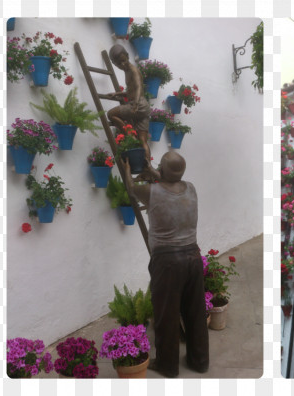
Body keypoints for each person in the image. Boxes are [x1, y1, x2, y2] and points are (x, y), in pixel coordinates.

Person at [120, 151, 208, 378]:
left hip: (168, 262)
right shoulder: (191, 188)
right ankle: (200, 361)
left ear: (163, 170)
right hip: (193, 257)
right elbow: (171, 179)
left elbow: (131, 188)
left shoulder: (151, 191)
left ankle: (168, 365)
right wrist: (158, 172)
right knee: (195, 311)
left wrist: (128, 168)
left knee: (166, 315)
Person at [102, 44, 159, 180]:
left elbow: (139, 87)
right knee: (143, 140)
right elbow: (130, 91)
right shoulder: (126, 70)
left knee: (111, 114)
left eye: (123, 60)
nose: (122, 64)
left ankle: (129, 134)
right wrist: (117, 94)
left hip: (138, 105)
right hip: (142, 107)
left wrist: (135, 104)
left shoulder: (133, 70)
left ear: (127, 56)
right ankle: (147, 169)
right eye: (118, 63)